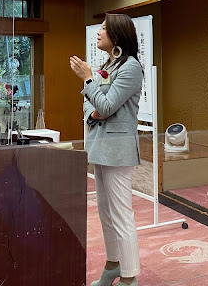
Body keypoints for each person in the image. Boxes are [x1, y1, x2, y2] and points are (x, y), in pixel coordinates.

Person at [70, 14, 143, 286]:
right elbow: (89, 105)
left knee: (121, 214)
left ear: (117, 35)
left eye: (103, 28)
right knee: (105, 212)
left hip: (118, 150)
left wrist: (89, 80)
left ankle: (129, 277)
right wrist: (94, 109)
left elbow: (107, 105)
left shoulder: (130, 67)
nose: (98, 32)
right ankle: (113, 265)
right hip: (100, 146)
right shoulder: (109, 65)